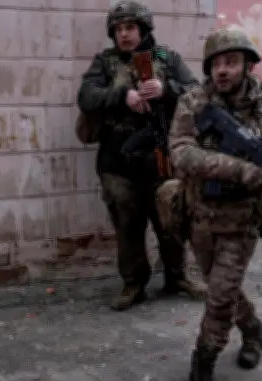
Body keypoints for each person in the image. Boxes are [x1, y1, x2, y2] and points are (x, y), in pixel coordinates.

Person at [164, 28, 262, 381]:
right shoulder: (193, 103)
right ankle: (254, 332)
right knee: (221, 287)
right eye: (217, 64)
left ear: (247, 65)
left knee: (220, 296)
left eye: (231, 62)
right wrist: (241, 169)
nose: (223, 70)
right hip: (199, 216)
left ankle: (203, 364)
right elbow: (181, 153)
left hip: (241, 222)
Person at [76, 0, 206, 311]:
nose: (124, 34)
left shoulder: (167, 59)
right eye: (119, 29)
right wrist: (123, 95)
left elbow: (197, 94)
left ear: (143, 29)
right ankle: (134, 284)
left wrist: (166, 89)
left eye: (130, 27)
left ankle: (177, 276)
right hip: (118, 162)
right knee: (127, 226)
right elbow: (86, 96)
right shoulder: (105, 63)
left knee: (171, 221)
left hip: (161, 159)